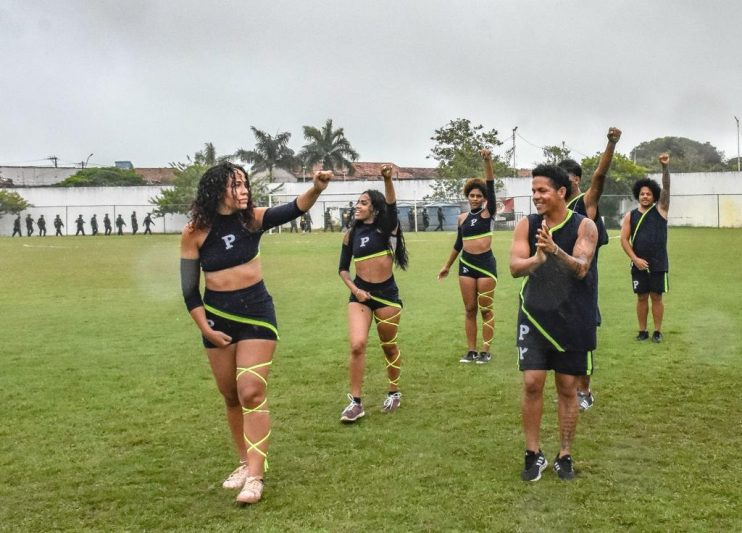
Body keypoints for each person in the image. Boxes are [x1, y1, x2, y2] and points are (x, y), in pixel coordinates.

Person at [180, 162, 332, 504]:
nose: (244, 190)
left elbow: (295, 208)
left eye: (245, 183)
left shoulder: (253, 218)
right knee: (232, 396)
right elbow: (190, 290)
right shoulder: (195, 231)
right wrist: (205, 327)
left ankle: (256, 477)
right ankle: (244, 463)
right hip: (217, 321)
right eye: (236, 184)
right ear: (217, 189)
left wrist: (317, 188)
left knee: (250, 392)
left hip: (257, 315)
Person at [509, 164, 598, 482]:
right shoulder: (527, 224)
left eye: (542, 190)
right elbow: (515, 267)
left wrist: (555, 250)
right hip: (534, 316)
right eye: (533, 191)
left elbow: (581, 267)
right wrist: (537, 258)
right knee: (532, 384)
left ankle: (564, 454)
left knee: (567, 388)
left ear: (561, 191)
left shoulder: (585, 225)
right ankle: (533, 454)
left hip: (573, 318)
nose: (536, 196)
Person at [338, 164, 408, 423]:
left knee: (389, 347)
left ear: (374, 209)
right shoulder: (350, 235)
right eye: (357, 202)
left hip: (387, 296)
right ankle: (355, 402)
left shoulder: (386, 227)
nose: (358, 206)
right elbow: (343, 270)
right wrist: (356, 290)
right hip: (360, 296)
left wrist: (387, 179)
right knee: (357, 345)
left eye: (363, 202)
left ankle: (394, 391)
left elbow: (392, 204)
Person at [558, 127, 621, 411]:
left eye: (570, 179)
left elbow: (600, 177)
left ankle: (585, 391)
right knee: (562, 338)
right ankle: (570, 389)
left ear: (577, 181)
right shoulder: (556, 210)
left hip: (583, 282)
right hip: (559, 284)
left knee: (582, 339)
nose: (565, 183)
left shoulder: (586, 203)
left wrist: (610, 143)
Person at [437, 149, 498, 364]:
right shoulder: (462, 218)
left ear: (483, 198)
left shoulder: (488, 212)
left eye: (478, 196)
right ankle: (471, 351)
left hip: (486, 266)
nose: (475, 198)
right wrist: (447, 266)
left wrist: (487, 161)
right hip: (466, 265)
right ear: (467, 196)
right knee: (470, 309)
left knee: (486, 309)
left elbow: (490, 184)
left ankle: (485, 350)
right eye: (471, 195)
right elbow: (458, 244)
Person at [620, 153, 671, 344]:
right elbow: (624, 240)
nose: (645, 196)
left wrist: (665, 168)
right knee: (642, 297)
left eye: (649, 193)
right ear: (637, 195)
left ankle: (657, 331)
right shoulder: (630, 216)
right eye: (642, 193)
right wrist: (635, 259)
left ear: (654, 196)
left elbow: (666, 188)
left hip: (659, 263)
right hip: (639, 264)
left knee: (656, 297)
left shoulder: (661, 210)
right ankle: (642, 331)